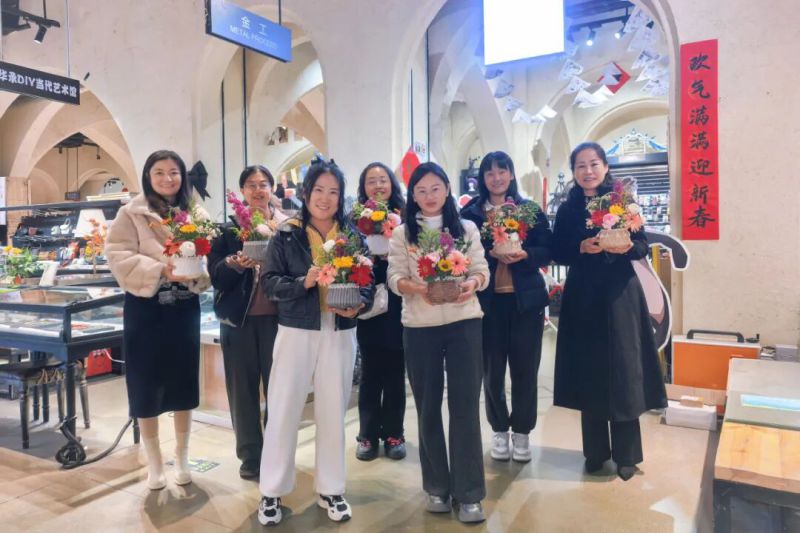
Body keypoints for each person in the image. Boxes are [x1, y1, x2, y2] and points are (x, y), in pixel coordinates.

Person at [256, 159, 374, 526]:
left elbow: (368, 281)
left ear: (341, 196)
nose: (326, 198)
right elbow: (269, 283)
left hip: (340, 329)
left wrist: (360, 303)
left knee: (333, 410)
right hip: (296, 330)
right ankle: (272, 491)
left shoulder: (352, 235)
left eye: (333, 192)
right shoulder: (286, 233)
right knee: (283, 407)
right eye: (319, 190)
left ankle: (331, 488)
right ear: (306, 193)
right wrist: (302, 283)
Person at [551, 142, 667, 481]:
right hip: (583, 296)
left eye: (594, 164)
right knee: (590, 369)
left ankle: (627, 455)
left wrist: (628, 247)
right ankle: (595, 451)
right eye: (580, 165)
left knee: (624, 368)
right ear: (574, 171)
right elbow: (558, 251)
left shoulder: (623, 201)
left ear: (605, 167)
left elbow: (643, 244)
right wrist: (580, 247)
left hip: (620, 294)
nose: (588, 171)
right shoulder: (569, 208)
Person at [387, 162, 490, 523]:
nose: (429, 196)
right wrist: (419, 289)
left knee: (465, 407)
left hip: (465, 324)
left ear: (447, 190)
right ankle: (436, 487)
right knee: (428, 407)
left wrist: (470, 285)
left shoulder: (466, 229)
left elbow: (481, 271)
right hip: (420, 327)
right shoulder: (402, 234)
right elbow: (394, 277)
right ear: (412, 196)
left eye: (435, 188)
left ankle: (470, 493)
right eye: (421, 190)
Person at [106, 150, 211, 490]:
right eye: (160, 172)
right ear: (148, 177)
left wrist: (197, 273)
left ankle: (182, 456)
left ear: (183, 176)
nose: (168, 178)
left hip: (183, 309)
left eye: (174, 172)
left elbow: (207, 257)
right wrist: (160, 270)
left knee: (184, 382)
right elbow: (117, 254)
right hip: (145, 309)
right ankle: (153, 462)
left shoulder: (196, 213)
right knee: (145, 384)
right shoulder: (131, 213)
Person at [460, 151, 552, 463]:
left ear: (511, 174)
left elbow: (548, 249)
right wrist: (489, 254)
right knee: (492, 370)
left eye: (502, 171)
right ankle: (499, 429)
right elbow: (461, 254)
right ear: (482, 178)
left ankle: (522, 432)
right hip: (487, 304)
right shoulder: (470, 214)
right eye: (490, 173)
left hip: (526, 302)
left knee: (526, 370)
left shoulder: (529, 210)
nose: (496, 178)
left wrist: (526, 255)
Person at [208, 165, 287, 480]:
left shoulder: (287, 227)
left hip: (279, 322)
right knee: (242, 393)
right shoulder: (228, 230)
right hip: (238, 322)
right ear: (242, 191)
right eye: (251, 185)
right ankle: (251, 456)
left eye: (263, 184)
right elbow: (215, 276)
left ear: (272, 189)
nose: (258, 190)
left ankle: (277, 452)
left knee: (279, 391)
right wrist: (234, 264)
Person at [352, 162, 408, 461]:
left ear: (391, 184)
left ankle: (395, 433)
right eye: (371, 181)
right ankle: (367, 435)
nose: (378, 186)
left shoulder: (405, 216)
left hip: (399, 300)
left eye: (383, 180)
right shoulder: (354, 218)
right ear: (364, 187)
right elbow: (347, 253)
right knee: (371, 371)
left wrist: (393, 256)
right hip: (368, 299)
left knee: (396, 371)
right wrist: (368, 258)